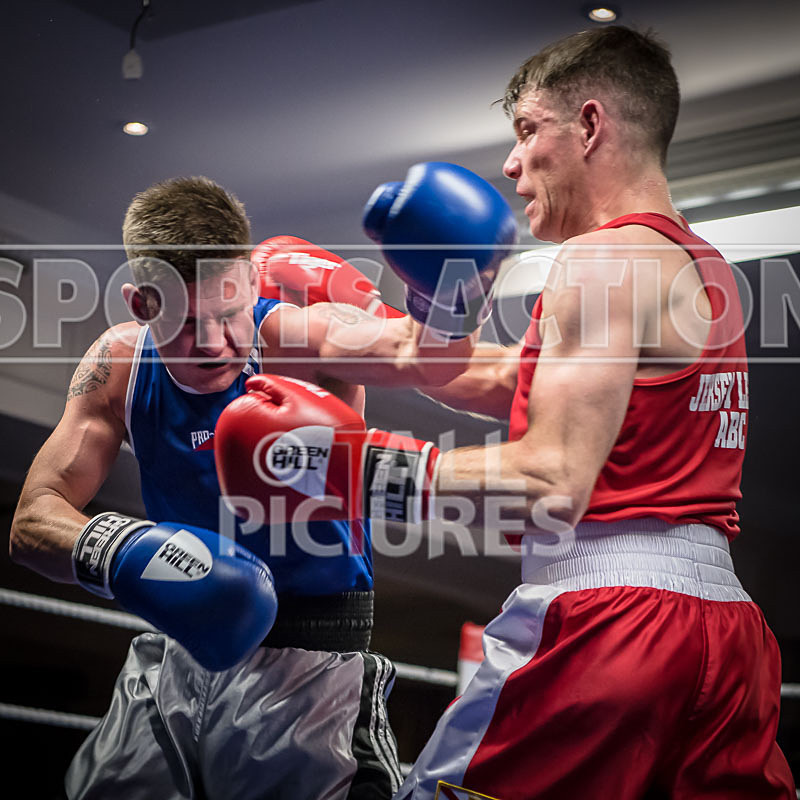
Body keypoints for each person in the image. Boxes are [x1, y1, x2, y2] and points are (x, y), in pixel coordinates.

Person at [215, 27, 796, 799]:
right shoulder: (702, 267)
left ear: (590, 125)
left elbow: (552, 480)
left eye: (527, 131)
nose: (512, 164)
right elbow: (498, 375)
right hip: (726, 638)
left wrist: (340, 467)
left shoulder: (599, 259)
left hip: (607, 623)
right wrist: (380, 329)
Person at [8, 170, 516, 799]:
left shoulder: (297, 339)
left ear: (252, 280)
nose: (215, 343)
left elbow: (428, 357)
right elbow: (33, 520)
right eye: (188, 323)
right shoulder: (119, 364)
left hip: (310, 673)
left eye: (229, 314)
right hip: (174, 654)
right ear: (142, 305)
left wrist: (458, 289)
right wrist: (131, 554)